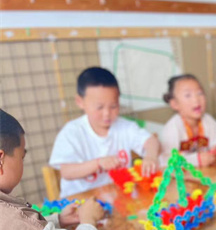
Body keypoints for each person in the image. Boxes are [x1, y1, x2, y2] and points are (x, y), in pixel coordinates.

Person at [49, 67, 160, 198]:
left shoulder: (124, 127)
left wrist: (150, 156)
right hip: (80, 203)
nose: (107, 113)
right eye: (99, 107)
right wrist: (98, 163)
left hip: (117, 199)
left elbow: (151, 141)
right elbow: (66, 172)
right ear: (80, 102)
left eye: (113, 106)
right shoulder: (71, 133)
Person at [160, 74, 216, 167]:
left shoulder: (207, 121)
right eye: (188, 95)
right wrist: (195, 160)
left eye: (200, 93)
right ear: (175, 104)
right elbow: (165, 161)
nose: (196, 99)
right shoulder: (173, 128)